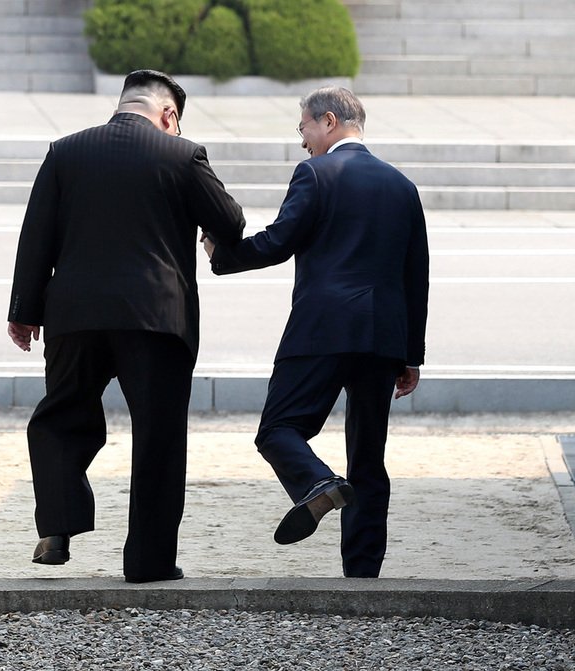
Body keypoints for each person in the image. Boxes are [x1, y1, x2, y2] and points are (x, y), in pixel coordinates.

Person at [8, 69, 245, 583]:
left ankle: (57, 526)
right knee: (158, 438)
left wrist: (23, 311)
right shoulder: (182, 156)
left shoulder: (65, 151)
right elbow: (230, 222)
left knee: (59, 417)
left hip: (74, 315)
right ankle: (148, 563)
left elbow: (36, 235)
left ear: (121, 105)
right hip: (156, 319)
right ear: (169, 116)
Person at [204, 86, 429, 578]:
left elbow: (281, 241)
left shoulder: (315, 172)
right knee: (369, 456)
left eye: (303, 127)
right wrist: (411, 354)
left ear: (328, 121)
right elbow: (417, 275)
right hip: (383, 337)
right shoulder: (402, 186)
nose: (302, 140)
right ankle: (363, 572)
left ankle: (318, 483)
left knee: (278, 429)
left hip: (322, 328)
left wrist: (223, 253)